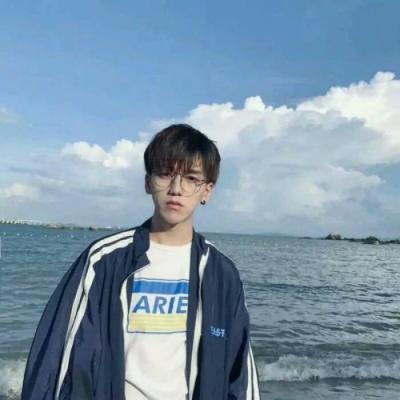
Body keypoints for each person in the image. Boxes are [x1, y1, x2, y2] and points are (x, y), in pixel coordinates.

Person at [21, 123, 261, 399]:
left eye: (191, 178)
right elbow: (54, 359)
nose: (176, 188)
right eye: (165, 174)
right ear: (148, 182)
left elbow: (240, 374)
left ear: (207, 191)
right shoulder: (104, 261)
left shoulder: (221, 273)